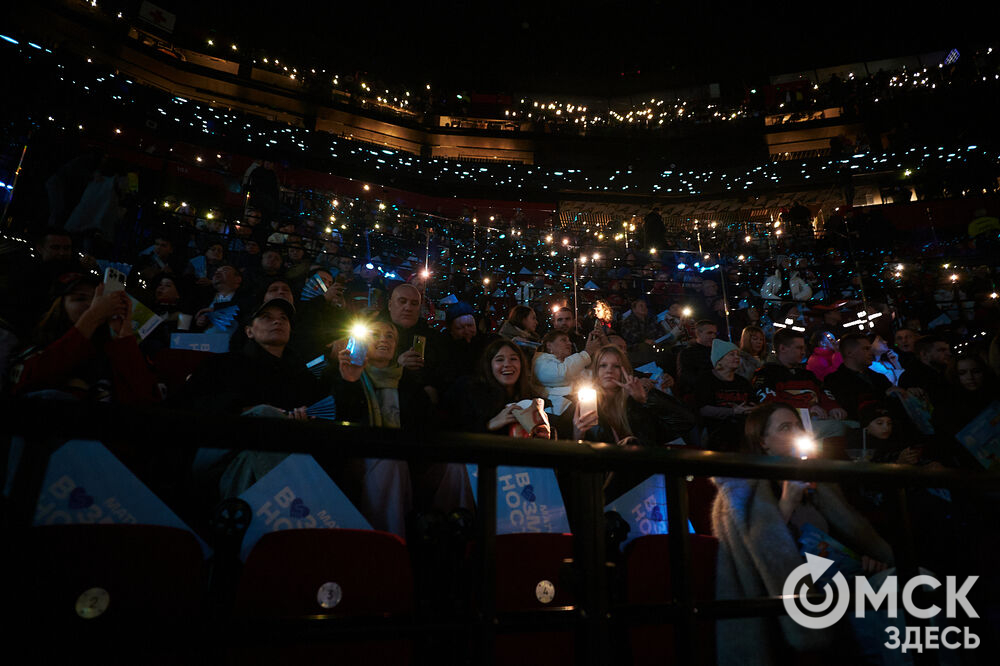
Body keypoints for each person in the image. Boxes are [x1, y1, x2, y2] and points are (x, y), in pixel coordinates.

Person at [712, 403, 893, 666]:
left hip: (845, 582)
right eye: (785, 427)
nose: (796, 433)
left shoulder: (819, 485)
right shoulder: (742, 491)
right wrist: (786, 502)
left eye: (798, 426)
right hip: (797, 600)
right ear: (763, 441)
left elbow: (847, 537)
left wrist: (865, 560)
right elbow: (757, 559)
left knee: (916, 583)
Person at [330, 319, 473, 536]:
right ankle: (390, 543)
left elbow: (428, 425)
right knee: (390, 462)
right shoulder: (343, 374)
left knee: (456, 466)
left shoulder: (407, 381)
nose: (383, 340)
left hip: (409, 459)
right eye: (376, 334)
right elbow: (338, 422)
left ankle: (453, 536)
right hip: (359, 461)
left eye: (390, 336)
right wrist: (350, 381)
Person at [10, 272, 159, 403]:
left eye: (97, 298)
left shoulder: (111, 349)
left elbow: (144, 399)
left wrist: (124, 334)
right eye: (80, 299)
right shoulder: (37, 346)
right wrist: (93, 317)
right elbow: (27, 383)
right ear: (59, 306)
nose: (92, 304)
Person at [752, 328, 848, 442]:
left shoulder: (807, 374)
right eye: (799, 348)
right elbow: (770, 403)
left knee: (853, 426)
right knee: (839, 428)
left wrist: (833, 407)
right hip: (789, 425)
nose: (803, 352)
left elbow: (823, 392)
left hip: (819, 420)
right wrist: (806, 410)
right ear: (782, 348)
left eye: (804, 348)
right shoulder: (765, 374)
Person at [449, 339, 549, 437]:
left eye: (513, 359)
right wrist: (490, 425)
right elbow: (456, 435)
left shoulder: (531, 398)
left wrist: (545, 434)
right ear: (489, 365)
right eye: (500, 360)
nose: (507, 364)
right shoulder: (470, 392)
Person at [823, 333, 902, 421]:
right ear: (849, 353)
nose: (871, 352)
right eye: (866, 349)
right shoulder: (834, 381)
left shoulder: (879, 377)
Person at [695, 340, 755, 451]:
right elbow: (703, 409)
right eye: (731, 354)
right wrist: (733, 412)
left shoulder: (743, 382)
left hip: (743, 429)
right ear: (719, 360)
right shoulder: (706, 380)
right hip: (715, 431)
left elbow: (753, 403)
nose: (737, 358)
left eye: (738, 355)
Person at [533, 328, 603, 416]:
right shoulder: (540, 361)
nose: (569, 343)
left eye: (569, 341)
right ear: (549, 345)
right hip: (555, 416)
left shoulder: (573, 366)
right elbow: (561, 374)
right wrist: (587, 352)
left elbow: (592, 378)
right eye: (563, 340)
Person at [432, 301, 498, 394]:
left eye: (470, 325)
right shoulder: (442, 347)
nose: (467, 331)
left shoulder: (487, 342)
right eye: (460, 328)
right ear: (451, 330)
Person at [676, 320, 718, 395]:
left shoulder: (718, 351)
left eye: (715, 333)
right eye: (709, 333)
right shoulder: (687, 353)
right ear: (698, 333)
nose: (713, 336)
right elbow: (686, 377)